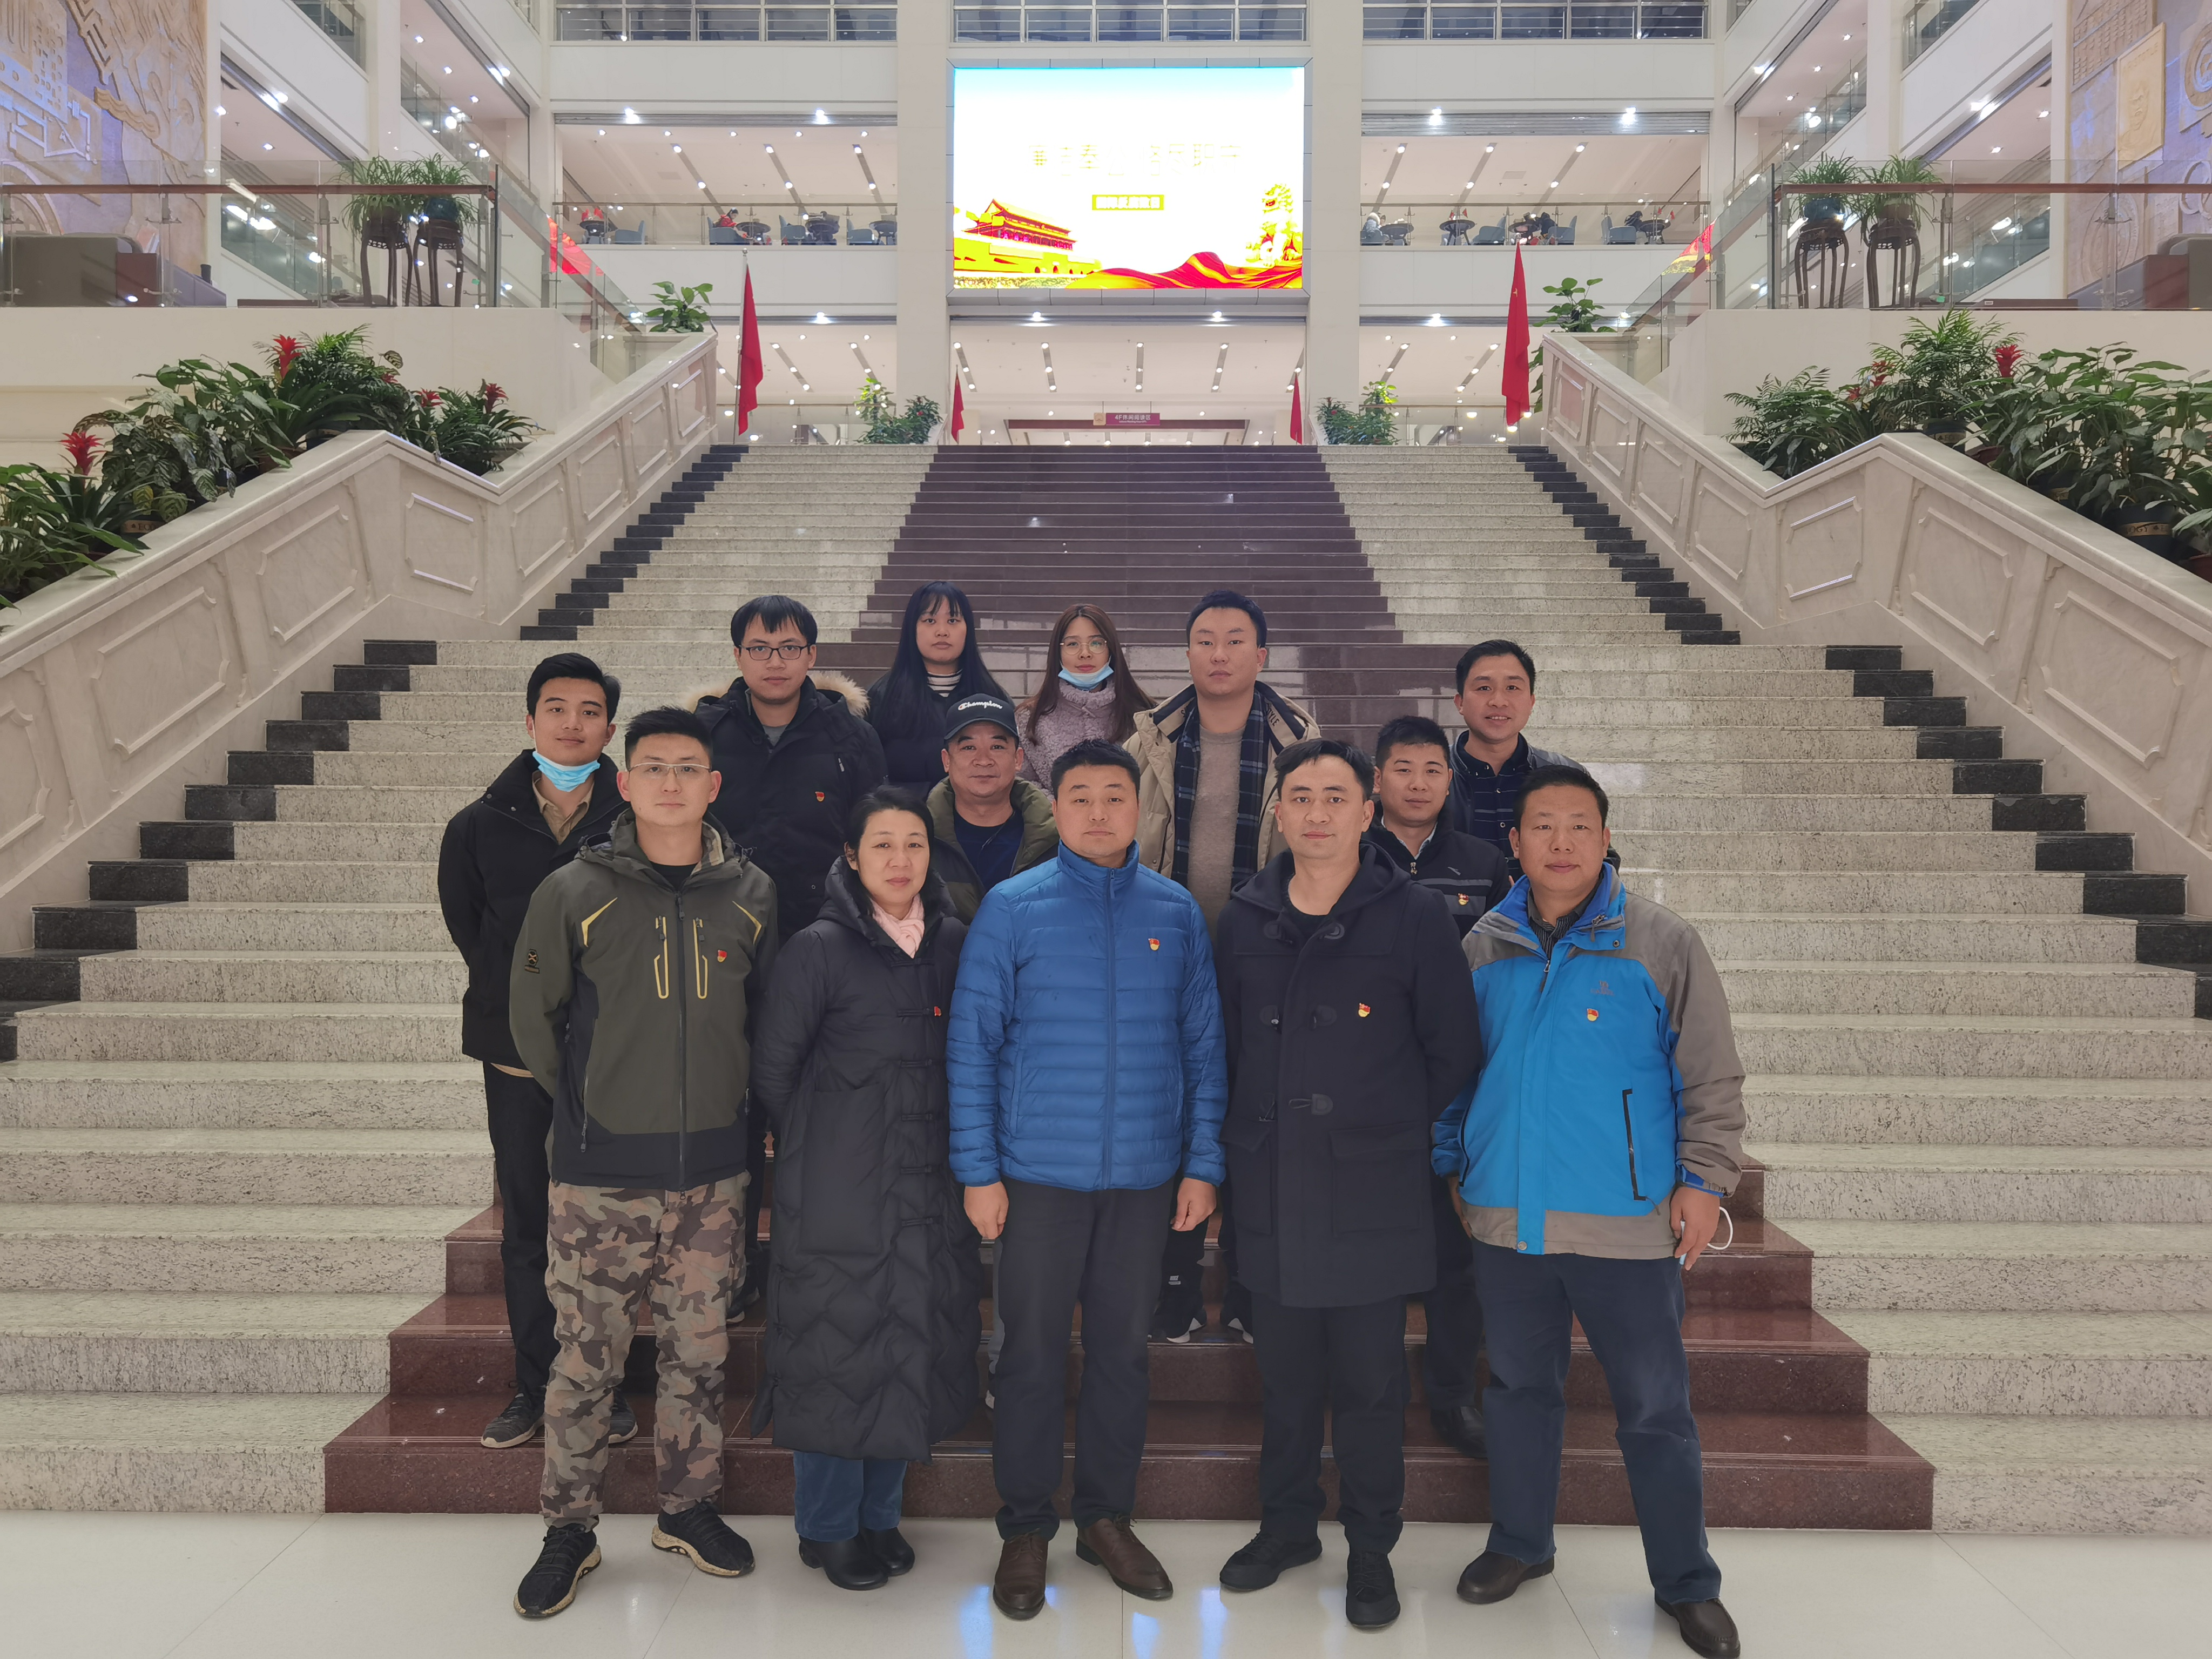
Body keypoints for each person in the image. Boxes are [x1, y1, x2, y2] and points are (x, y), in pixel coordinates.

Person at [1435, 766, 1743, 1659]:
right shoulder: (1484, 946)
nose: (1561, 841)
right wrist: (1455, 1161)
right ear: (1516, 842)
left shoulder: (1660, 941)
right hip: (1509, 1222)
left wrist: (1704, 1181)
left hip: (1627, 1225)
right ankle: (1520, 1543)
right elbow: (1455, 1073)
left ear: (1605, 839)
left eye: (1579, 825)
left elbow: (1711, 1075)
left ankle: (1686, 1581)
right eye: (1543, 825)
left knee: (1654, 1408)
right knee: (1517, 1391)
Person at [507, 706, 780, 1620]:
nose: (671, 782)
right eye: (653, 767)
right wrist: (594, 1110)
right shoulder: (572, 891)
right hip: (600, 1177)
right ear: (624, 784)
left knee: (699, 1353)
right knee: (587, 1361)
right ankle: (569, 1528)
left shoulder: (753, 894)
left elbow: (762, 1019)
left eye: (688, 767)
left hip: (713, 1177)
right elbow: (534, 1020)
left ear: (713, 785)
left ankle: (686, 1507)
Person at [948, 738, 1228, 1622]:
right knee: (1028, 1355)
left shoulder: (1175, 912)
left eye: (1115, 795)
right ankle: (1026, 1525)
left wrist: (1202, 1161)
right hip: (1037, 1176)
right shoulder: (1013, 908)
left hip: (1144, 1179)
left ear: (1139, 809)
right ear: (1056, 807)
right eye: (1081, 796)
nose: (1099, 811)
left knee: (1121, 1354)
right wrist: (979, 1170)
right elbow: (972, 1044)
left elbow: (1204, 1047)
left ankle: (1105, 1517)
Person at [1211, 740, 1481, 1631]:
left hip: (1372, 1190)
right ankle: (1287, 1526)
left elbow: (1452, 1048)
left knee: (1370, 1386)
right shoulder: (1245, 915)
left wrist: (1380, 1127)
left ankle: (1371, 1548)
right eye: (1301, 796)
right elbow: (1225, 1046)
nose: (1317, 813)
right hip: (1272, 1181)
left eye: (1336, 797)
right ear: (1278, 812)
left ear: (1368, 813)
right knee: (1285, 1380)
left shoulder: (1414, 915)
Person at [749, 788, 983, 1591]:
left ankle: (879, 1516)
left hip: (929, 1185)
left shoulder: (954, 942)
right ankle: (826, 1526)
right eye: (881, 844)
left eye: (914, 843)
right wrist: (826, 1145)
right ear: (852, 857)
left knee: (906, 1344)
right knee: (834, 1350)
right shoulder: (818, 948)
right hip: (839, 1185)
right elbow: (775, 1071)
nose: (899, 860)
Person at [437, 653, 640, 1455]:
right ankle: (537, 1383)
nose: (571, 724)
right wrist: (521, 1002)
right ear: (530, 723)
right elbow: (471, 930)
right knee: (529, 1224)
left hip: (613, 1058)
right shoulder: (477, 826)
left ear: (609, 730)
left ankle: (609, 1384)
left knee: (613, 1228)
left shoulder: (636, 818)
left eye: (589, 711)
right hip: (516, 1056)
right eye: (556, 709)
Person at [1128, 590, 1313, 1345]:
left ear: (1261, 656)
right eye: (1205, 639)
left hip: (1266, 960)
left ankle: (1244, 1285)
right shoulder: (1150, 739)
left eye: (1236, 640)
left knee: (1254, 1121)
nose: (1220, 653)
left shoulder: (1300, 742)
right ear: (1187, 654)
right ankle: (1172, 1285)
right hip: (1166, 958)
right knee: (1173, 1116)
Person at [692, 594, 886, 1306]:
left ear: (811, 655)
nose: (774, 662)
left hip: (822, 946)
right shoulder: (706, 732)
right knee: (734, 1111)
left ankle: (815, 1270)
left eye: (789, 648)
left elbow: (873, 834)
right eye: (759, 648)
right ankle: (735, 1267)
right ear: (737, 656)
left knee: (815, 1110)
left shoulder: (850, 735)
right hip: (721, 948)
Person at [1363, 713, 1508, 1462]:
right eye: (1403, 769)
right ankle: (1372, 1391)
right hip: (1370, 1087)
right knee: (1375, 1254)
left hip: (1464, 1085)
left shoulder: (1484, 863)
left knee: (1458, 1254)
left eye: (1431, 771)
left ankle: (1453, 1394)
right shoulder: (1349, 857)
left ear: (1450, 781)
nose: (1418, 784)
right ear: (1377, 779)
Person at [1444, 639, 1580, 868]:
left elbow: (1597, 856)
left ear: (1531, 702)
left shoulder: (1568, 776)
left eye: (1512, 688)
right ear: (1461, 703)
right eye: (1484, 688)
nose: (1498, 701)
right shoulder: (1430, 776)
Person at [926, 691, 1058, 922]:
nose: (984, 760)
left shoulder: (1055, 840)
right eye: (969, 748)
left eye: (997, 747)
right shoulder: (920, 839)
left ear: (1018, 759)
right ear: (947, 760)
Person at [867, 581, 1009, 792]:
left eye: (953, 620)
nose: (942, 631)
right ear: (912, 629)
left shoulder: (993, 699)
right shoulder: (882, 697)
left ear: (968, 629)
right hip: (903, 811)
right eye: (930, 620)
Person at [1017, 603, 1155, 788]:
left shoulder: (1143, 716)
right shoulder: (1029, 719)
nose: (1085, 654)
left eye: (1096, 643)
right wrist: (1066, 804)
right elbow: (1024, 786)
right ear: (1058, 653)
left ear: (1111, 650)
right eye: (1072, 644)